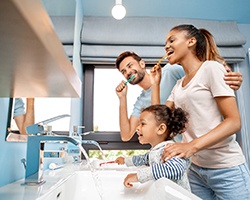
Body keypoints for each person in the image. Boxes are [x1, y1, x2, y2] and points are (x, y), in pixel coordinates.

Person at [150, 24, 250, 200]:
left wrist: (190, 146)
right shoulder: (178, 85)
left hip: (226, 168)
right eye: (165, 43)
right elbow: (159, 121)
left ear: (191, 41)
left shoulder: (211, 68)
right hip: (195, 170)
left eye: (172, 40)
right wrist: (155, 84)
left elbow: (234, 122)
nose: (166, 46)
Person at [115, 51, 243, 142]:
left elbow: (202, 73)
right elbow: (126, 135)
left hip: (209, 139)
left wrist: (226, 75)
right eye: (123, 72)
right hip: (184, 148)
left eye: (130, 66)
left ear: (142, 64)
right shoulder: (141, 102)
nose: (128, 72)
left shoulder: (171, 71)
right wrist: (122, 98)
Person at [115, 104, 191, 190]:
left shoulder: (170, 150)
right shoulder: (156, 150)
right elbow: (143, 159)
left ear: (161, 129)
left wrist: (138, 176)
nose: (137, 128)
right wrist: (125, 160)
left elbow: (174, 169)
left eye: (142, 124)